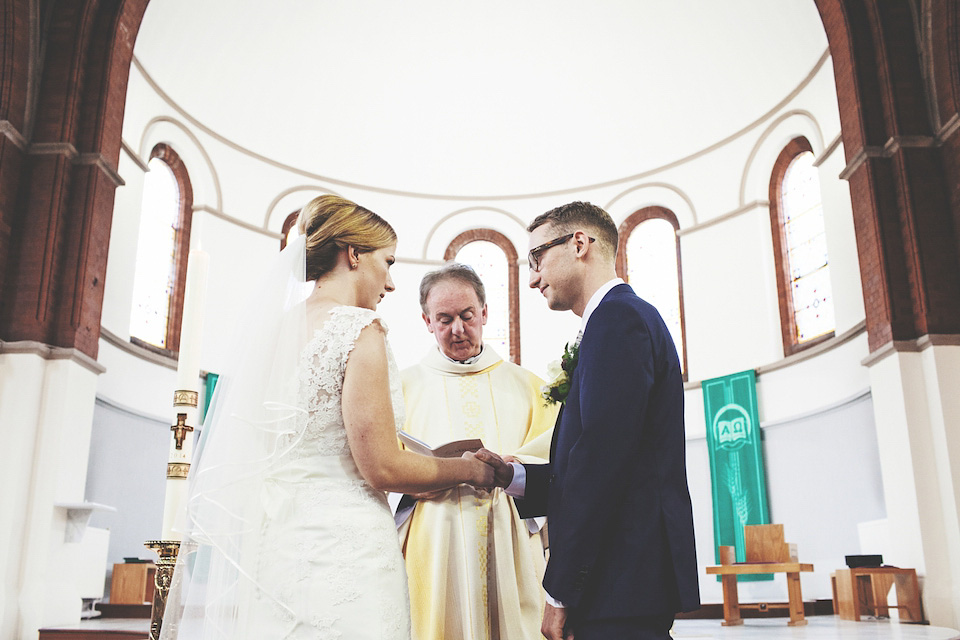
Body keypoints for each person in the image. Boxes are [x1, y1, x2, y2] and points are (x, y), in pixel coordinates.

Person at [159, 195, 494, 640]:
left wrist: (429, 457)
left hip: (275, 551)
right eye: (387, 261)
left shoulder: (275, 331)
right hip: (345, 553)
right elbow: (382, 467)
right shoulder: (359, 329)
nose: (390, 283)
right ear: (354, 253)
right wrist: (469, 470)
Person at [476, 201, 700, 640]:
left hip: (620, 574)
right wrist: (513, 476)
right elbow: (605, 459)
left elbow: (600, 465)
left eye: (537, 257)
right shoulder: (617, 320)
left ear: (579, 243)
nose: (533, 277)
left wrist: (559, 594)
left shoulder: (617, 320)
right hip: (622, 576)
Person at [395, 263, 559, 640]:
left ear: (485, 313)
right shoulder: (401, 389)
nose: (457, 329)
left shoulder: (529, 386)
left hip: (509, 535)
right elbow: (384, 467)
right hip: (435, 542)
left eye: (467, 316)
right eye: (444, 319)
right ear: (426, 321)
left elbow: (553, 455)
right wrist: (413, 482)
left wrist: (516, 467)